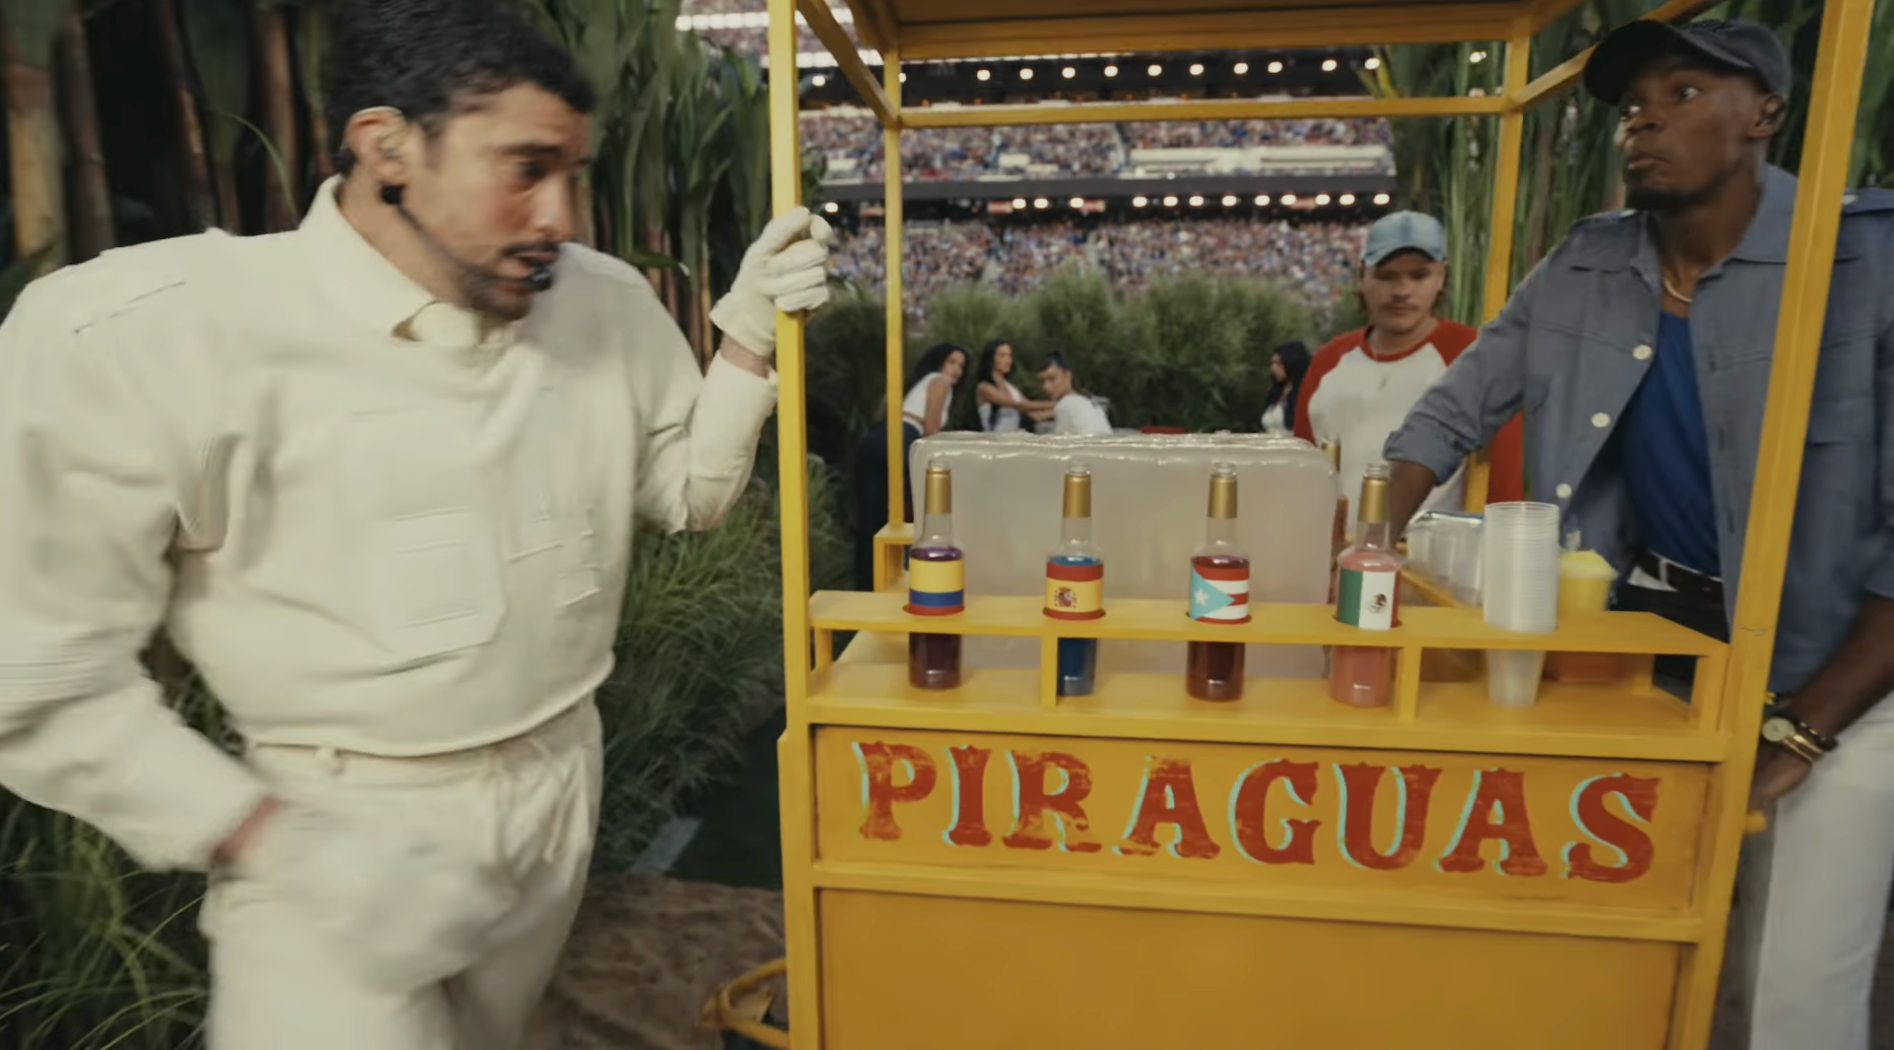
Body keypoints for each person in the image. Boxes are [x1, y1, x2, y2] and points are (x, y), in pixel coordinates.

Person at [0, 0, 832, 1046]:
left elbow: (689, 496)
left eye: (571, 171)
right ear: (386, 147)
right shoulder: (153, 333)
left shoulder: (601, 300)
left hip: (560, 787)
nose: (561, 216)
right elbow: (39, 682)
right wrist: (273, 837)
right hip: (329, 827)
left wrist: (747, 340)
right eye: (523, 168)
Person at [1380, 19, 1894, 1050]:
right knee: (1648, 964)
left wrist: (1799, 734)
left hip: (1842, 674)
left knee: (1790, 990)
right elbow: (1449, 412)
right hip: (1657, 662)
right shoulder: (1588, 262)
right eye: (1632, 105)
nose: (1645, 120)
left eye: (1685, 91)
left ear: (1766, 115)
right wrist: (1378, 534)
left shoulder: (1862, 261)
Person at [1294, 211, 1524, 514]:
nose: (1402, 291)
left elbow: (1504, 485)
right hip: (1333, 552)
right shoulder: (1328, 360)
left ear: (1441, 276)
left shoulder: (1475, 357)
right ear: (1362, 277)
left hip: (1431, 557)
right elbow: (1299, 473)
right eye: (1387, 276)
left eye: (1419, 275)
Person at [852, 343, 969, 588]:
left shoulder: (919, 383)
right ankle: (892, 581)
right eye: (952, 362)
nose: (957, 370)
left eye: (961, 365)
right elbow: (930, 430)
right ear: (939, 363)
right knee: (898, 517)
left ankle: (868, 583)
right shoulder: (941, 382)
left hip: (877, 438)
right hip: (901, 439)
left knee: (871, 522)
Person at [975, 338, 1054, 432]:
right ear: (991, 358)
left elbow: (1032, 414)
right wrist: (1054, 404)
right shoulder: (984, 387)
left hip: (1013, 439)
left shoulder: (1011, 388)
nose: (1008, 360)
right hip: (995, 441)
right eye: (1002, 355)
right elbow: (1020, 405)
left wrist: (1063, 407)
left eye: (1009, 356)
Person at [1040, 353, 1113, 435]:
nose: (1046, 387)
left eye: (1052, 379)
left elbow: (1058, 443)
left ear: (1067, 376)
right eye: (1043, 381)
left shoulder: (1065, 404)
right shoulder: (1087, 400)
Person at [1259, 340, 1311, 435]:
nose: (1273, 368)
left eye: (1278, 364)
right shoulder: (1276, 394)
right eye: (1272, 363)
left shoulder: (1305, 396)